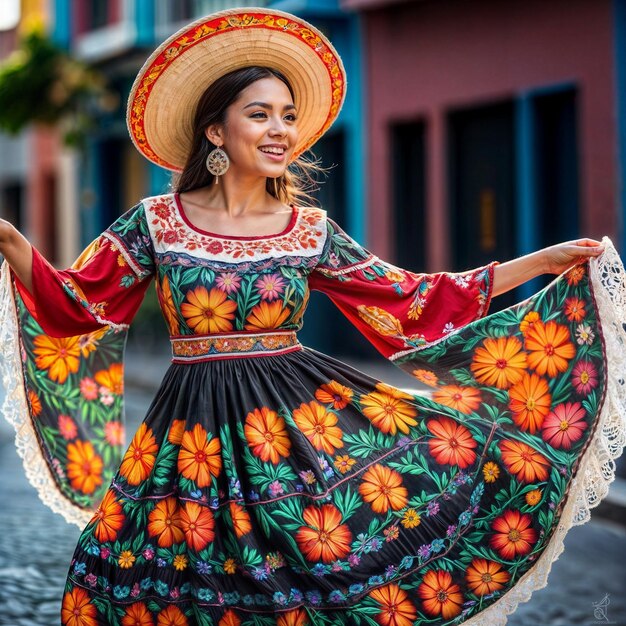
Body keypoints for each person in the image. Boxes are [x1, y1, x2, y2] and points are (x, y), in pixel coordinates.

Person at [0, 7, 624, 626]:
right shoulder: (155, 222)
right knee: (127, 575)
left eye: (288, 117)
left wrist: (536, 264)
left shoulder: (309, 231)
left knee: (304, 584)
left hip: (297, 437)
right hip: (187, 436)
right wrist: (10, 241)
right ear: (215, 132)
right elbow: (76, 303)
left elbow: (413, 300)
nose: (280, 131)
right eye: (260, 114)